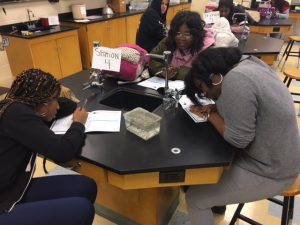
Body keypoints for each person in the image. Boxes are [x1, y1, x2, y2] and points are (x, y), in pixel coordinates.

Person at [184, 47, 300, 225]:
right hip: (284, 156)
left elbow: (238, 139)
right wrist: (216, 108)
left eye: (202, 88)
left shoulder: (236, 80)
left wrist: (209, 115)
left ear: (215, 78)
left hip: (273, 171)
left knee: (195, 199)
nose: (205, 95)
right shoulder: (250, 63)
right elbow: (250, 106)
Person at [0, 69, 97, 225]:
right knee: (80, 210)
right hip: (4, 200)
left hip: (13, 187)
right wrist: (78, 124)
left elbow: (67, 105)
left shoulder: (15, 105)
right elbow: (62, 151)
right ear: (41, 103)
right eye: (54, 100)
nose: (58, 105)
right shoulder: (17, 115)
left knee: (86, 186)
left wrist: (50, 100)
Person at [149, 10, 215, 80]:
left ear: (196, 34)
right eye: (178, 33)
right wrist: (162, 71)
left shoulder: (207, 49)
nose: (182, 38)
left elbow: (204, 73)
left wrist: (176, 73)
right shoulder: (169, 41)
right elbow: (152, 59)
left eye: (187, 34)